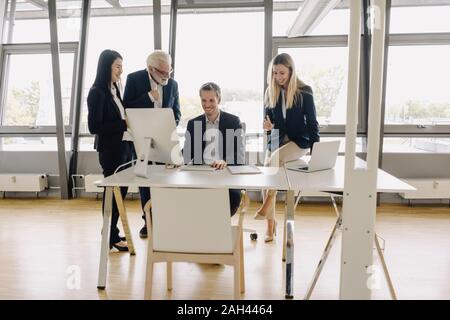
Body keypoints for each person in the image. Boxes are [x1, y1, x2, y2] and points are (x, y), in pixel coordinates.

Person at [254, 53, 320, 242]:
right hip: (278, 141)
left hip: (299, 141)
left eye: (282, 73)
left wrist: (316, 153)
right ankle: (270, 225)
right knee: (268, 168)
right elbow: (270, 124)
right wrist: (267, 128)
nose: (278, 77)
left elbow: (313, 123)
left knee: (273, 160)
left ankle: (266, 206)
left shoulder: (304, 91)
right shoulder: (271, 91)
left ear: (291, 71)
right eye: (275, 73)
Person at [123, 50, 181, 238]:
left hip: (165, 137)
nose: (167, 76)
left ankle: (166, 219)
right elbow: (127, 109)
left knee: (166, 179)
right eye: (163, 72)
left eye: (169, 71)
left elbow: (176, 112)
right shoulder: (134, 79)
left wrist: (167, 125)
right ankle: (148, 222)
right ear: (150, 69)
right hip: (143, 140)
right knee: (145, 181)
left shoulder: (173, 84)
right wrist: (149, 97)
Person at [87, 49, 132, 252]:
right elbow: (94, 127)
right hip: (111, 150)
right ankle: (110, 235)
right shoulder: (97, 92)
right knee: (112, 193)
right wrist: (123, 123)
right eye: (117, 66)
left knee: (120, 192)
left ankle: (111, 232)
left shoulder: (115, 90)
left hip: (124, 148)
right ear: (107, 66)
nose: (121, 71)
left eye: (122, 66)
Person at [183, 82, 244, 216]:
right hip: (200, 173)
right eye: (203, 100)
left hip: (225, 172)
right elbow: (187, 154)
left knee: (230, 198)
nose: (207, 104)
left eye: (211, 100)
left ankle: (215, 230)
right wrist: (173, 157)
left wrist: (225, 161)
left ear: (219, 99)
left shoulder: (233, 121)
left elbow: (238, 153)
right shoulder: (194, 123)